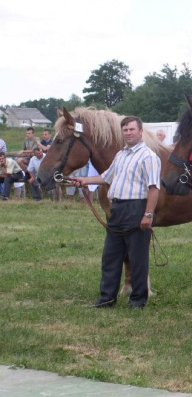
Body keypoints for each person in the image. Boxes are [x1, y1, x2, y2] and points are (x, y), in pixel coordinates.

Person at [70, 116, 161, 309]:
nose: (128, 133)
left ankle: (137, 300)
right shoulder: (121, 155)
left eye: (132, 129)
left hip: (136, 208)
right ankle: (106, 299)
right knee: (110, 256)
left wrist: (148, 214)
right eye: (125, 130)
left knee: (137, 258)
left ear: (140, 131)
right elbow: (107, 177)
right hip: (117, 208)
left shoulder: (149, 157)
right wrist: (84, 181)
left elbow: (154, 188)